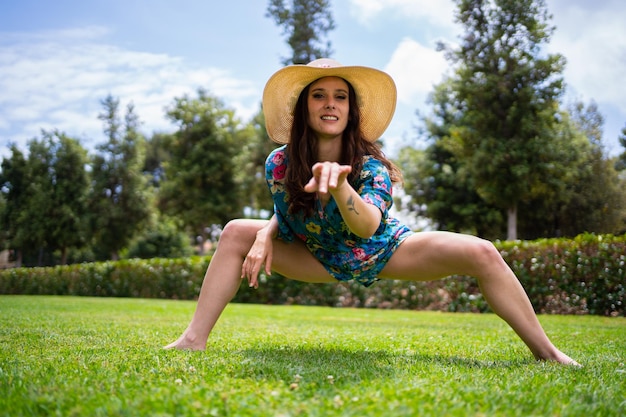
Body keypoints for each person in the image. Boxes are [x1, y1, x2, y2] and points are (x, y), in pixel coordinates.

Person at [165, 58, 579, 366]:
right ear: (305, 108)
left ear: (350, 110)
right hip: (317, 257)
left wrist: (341, 184)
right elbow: (286, 209)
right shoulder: (279, 163)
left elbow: (368, 227)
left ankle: (547, 353)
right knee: (238, 228)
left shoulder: (370, 167)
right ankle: (192, 340)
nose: (331, 104)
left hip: (382, 250)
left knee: (484, 252)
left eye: (340, 97)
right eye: (320, 95)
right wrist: (264, 234)